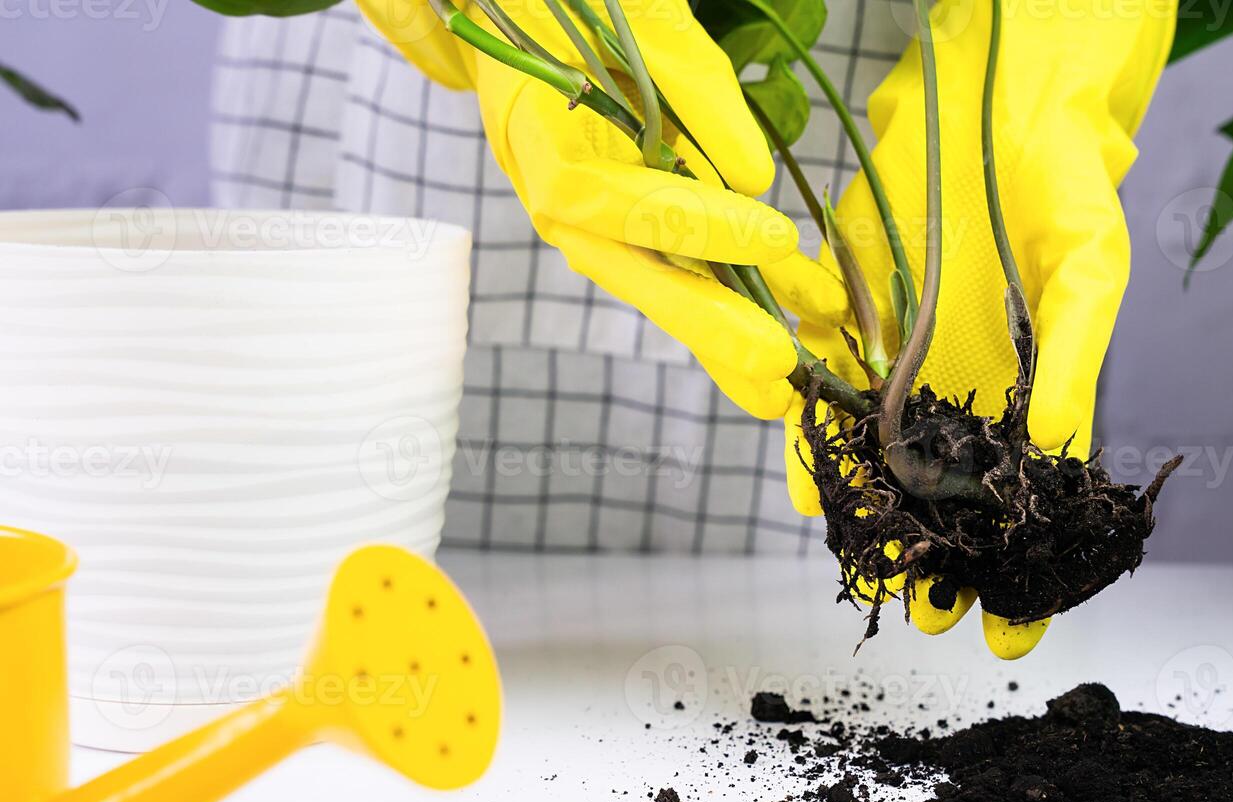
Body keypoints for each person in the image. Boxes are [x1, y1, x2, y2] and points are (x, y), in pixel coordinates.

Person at [211, 0, 1175, 657]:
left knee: (834, 394)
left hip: (886, 36)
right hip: (475, 113)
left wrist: (1050, 47)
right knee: (372, 595)